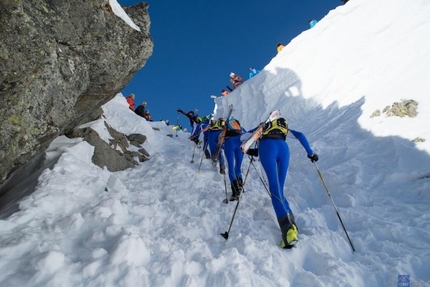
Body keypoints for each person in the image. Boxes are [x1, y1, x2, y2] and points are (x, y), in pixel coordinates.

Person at [243, 115, 318, 249]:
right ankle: (292, 226)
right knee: (280, 191)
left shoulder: (262, 127)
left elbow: (244, 138)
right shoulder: (281, 126)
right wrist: (310, 153)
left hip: (267, 148)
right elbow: (300, 135)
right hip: (283, 148)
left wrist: (249, 149)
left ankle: (288, 232)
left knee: (274, 191)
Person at [223, 117, 246, 201]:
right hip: (239, 142)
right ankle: (240, 187)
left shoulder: (226, 126)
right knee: (238, 167)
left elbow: (221, 136)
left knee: (231, 167)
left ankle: (235, 192)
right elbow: (247, 134)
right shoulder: (240, 127)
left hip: (229, 142)